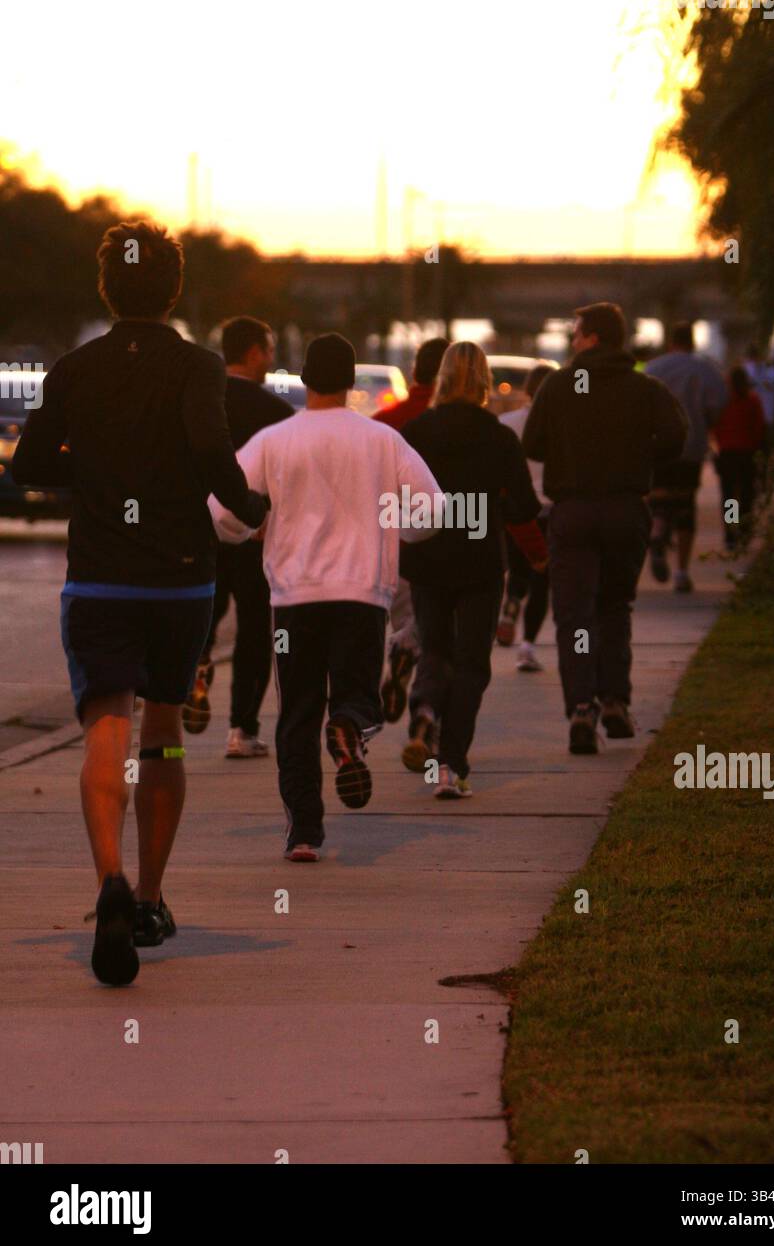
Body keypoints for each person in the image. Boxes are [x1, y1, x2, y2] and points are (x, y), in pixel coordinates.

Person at [12, 221, 268, 985]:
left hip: (99, 578)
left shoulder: (74, 369)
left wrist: (92, 475)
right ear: (174, 290)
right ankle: (153, 899)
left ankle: (111, 885)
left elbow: (29, 462)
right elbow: (210, 455)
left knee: (105, 729)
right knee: (162, 729)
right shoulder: (198, 366)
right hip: (181, 577)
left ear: (106, 288)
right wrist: (251, 507)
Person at [209, 332, 438, 861]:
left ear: (305, 379)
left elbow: (220, 511)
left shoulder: (274, 440)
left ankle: (304, 833)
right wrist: (395, 529)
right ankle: (350, 729)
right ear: (352, 380)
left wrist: (253, 527)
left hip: (293, 597)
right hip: (362, 594)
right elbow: (433, 507)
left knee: (296, 713)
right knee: (358, 696)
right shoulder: (382, 440)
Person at [524, 302, 686, 754]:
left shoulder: (557, 387)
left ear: (593, 337)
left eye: (576, 334)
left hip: (573, 513)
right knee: (615, 608)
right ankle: (614, 700)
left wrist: (570, 450)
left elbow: (532, 445)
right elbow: (677, 437)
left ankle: (581, 708)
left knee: (574, 615)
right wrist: (640, 460)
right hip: (625, 510)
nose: (571, 342)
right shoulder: (643, 387)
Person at [400, 342, 547, 797]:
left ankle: (424, 709)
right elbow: (523, 506)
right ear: (484, 379)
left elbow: (394, 498)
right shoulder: (499, 436)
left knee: (434, 648)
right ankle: (449, 766)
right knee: (471, 664)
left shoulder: (415, 431)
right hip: (480, 562)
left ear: (441, 378)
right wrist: (534, 550)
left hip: (426, 560)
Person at [183, 316, 293, 756]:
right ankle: (241, 731)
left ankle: (197, 666)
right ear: (251, 353)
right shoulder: (276, 414)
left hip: (197, 530)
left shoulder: (194, 403)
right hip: (253, 532)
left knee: (203, 613)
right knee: (252, 630)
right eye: (267, 350)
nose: (270, 359)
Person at [373, 337, 448, 721]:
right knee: (437, 629)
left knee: (405, 616)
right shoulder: (450, 422)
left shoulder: (383, 423)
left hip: (391, 540)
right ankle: (425, 710)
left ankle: (401, 650)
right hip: (443, 536)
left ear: (416, 372)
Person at [644, 323, 728, 593]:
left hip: (656, 445)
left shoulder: (653, 369)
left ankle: (656, 535)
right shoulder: (705, 370)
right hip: (691, 445)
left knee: (657, 498)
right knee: (685, 506)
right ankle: (681, 572)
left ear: (670, 343)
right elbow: (718, 406)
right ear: (692, 343)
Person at [497, 361, 556, 671]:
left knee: (518, 568)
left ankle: (510, 606)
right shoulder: (563, 426)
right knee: (542, 579)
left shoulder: (506, 423)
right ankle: (527, 647)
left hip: (513, 509)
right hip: (550, 508)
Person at [712, 365, 766, 550]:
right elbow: (759, 427)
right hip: (747, 454)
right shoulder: (753, 400)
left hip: (727, 454)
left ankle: (730, 534)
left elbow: (715, 426)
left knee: (729, 497)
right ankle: (744, 529)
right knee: (747, 494)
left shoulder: (723, 401)